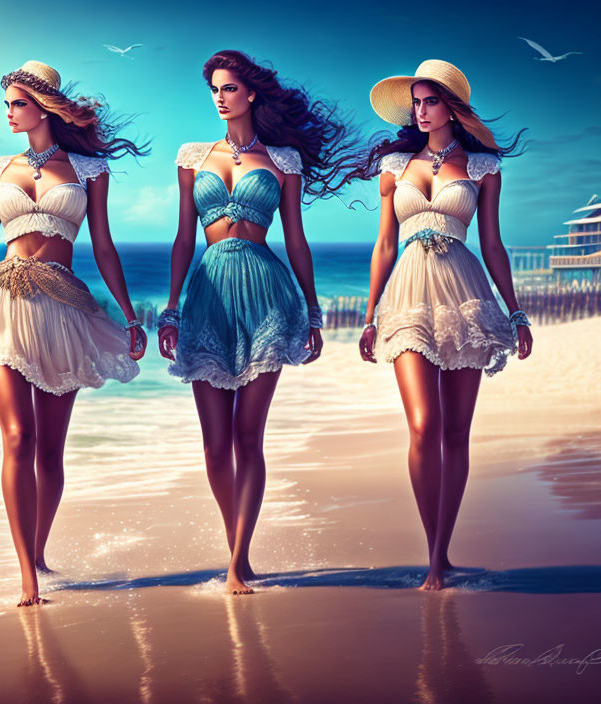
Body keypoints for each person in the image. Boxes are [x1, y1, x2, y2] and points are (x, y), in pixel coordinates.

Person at [158, 50, 366, 594]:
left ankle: (237, 560)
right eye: (214, 90)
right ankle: (237, 547)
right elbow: (184, 238)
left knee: (248, 438)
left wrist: (314, 308)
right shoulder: (190, 157)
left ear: (250, 93)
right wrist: (172, 305)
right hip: (207, 294)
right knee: (213, 443)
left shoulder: (284, 160)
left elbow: (295, 239)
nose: (219, 98)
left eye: (228, 88)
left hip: (267, 294)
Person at [0, 61, 148, 606]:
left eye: (17, 103)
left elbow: (102, 247)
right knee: (17, 436)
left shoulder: (88, 169)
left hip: (61, 309)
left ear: (44, 105)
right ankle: (26, 578)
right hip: (0, 301)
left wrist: (129, 315)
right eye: (5, 105)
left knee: (50, 450)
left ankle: (38, 551)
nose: (10, 114)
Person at [359, 60, 532, 590]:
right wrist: (369, 317)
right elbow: (385, 243)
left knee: (456, 432)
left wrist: (516, 308)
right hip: (408, 295)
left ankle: (441, 556)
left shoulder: (482, 168)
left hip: (465, 295)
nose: (421, 110)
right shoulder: (394, 165)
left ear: (451, 107)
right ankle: (433, 553)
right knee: (422, 426)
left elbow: (493, 245)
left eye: (430, 100)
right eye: (415, 102)